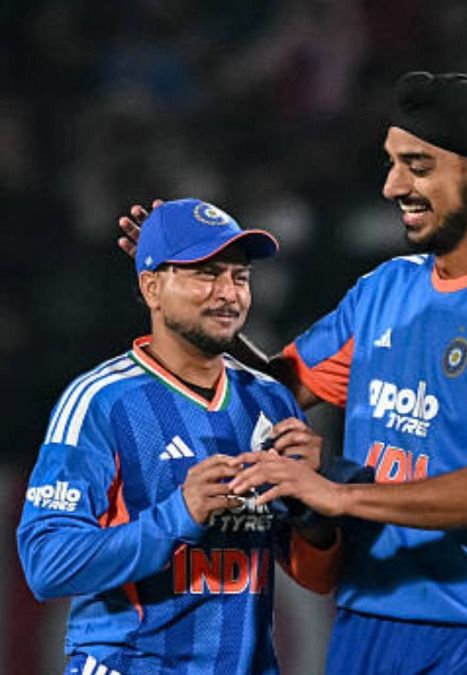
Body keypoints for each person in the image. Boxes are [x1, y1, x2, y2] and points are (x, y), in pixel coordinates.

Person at [118, 72, 467, 675]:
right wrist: (193, 296)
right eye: (392, 163)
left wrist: (338, 493)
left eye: (417, 166)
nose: (392, 185)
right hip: (365, 619)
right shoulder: (384, 290)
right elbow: (269, 394)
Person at [18, 198, 339, 675]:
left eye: (240, 277)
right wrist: (179, 515)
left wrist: (312, 506)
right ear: (152, 287)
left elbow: (318, 577)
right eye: (206, 275)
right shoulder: (101, 401)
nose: (228, 293)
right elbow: (47, 565)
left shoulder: (272, 402)